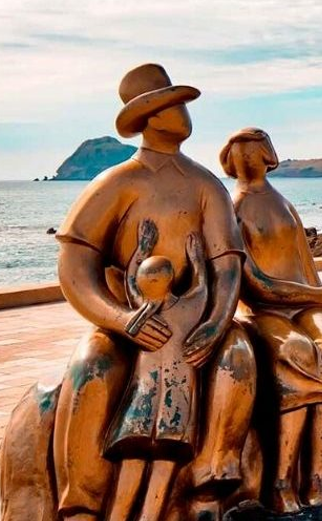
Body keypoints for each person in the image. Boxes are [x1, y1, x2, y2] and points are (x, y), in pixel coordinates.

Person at [54, 64, 257, 521]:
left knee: (237, 355)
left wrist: (217, 321)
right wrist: (121, 319)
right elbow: (74, 265)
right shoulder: (116, 183)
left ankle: (211, 483)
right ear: (150, 116)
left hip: (192, 320)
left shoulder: (207, 185)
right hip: (129, 320)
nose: (184, 113)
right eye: (173, 104)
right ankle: (82, 503)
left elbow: (227, 265)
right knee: (92, 367)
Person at [219, 127, 322, 513]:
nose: (247, 157)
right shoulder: (230, 209)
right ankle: (281, 479)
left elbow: (308, 265)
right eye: (239, 151)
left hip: (308, 304)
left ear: (267, 155)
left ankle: (317, 474)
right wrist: (315, 297)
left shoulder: (284, 204)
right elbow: (252, 280)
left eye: (253, 149)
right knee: (297, 354)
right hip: (265, 311)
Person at [106, 234, 208, 521]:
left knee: (130, 467)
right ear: (171, 278)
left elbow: (128, 282)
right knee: (162, 473)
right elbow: (202, 285)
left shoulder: (139, 313)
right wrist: (197, 259)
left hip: (139, 413)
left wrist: (141, 249)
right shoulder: (189, 309)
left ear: (142, 283)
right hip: (174, 416)